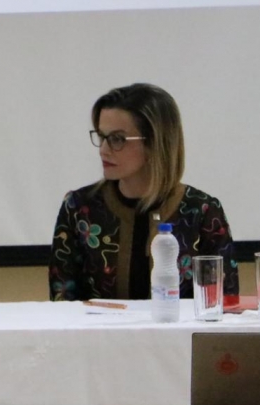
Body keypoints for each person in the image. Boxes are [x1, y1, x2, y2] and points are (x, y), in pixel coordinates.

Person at [49, 83, 238, 301]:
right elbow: (62, 303)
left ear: (155, 143)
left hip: (178, 325)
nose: (103, 150)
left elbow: (223, 304)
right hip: (99, 325)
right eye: (101, 137)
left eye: (117, 139)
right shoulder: (79, 208)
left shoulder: (201, 212)